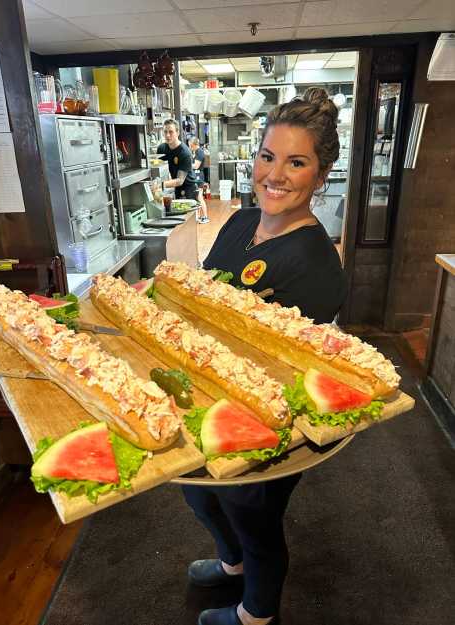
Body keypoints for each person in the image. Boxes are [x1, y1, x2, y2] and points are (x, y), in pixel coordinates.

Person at [183, 87, 348, 625]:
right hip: (209, 392)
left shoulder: (315, 263)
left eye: (296, 162)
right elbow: (204, 294)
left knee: (253, 515)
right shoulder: (236, 222)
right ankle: (231, 567)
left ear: (320, 176)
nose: (274, 174)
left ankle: (256, 614)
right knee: (201, 497)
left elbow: (294, 368)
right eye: (267, 156)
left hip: (265, 413)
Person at [158, 118, 198, 201]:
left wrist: (160, 184)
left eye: (171, 132)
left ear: (177, 133)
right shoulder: (162, 149)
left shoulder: (185, 152)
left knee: (187, 213)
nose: (168, 135)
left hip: (188, 188)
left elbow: (180, 180)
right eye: (165, 132)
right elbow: (158, 168)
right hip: (176, 187)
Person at [189, 136, 210, 224]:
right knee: (197, 197)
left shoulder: (200, 152)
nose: (189, 146)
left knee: (199, 197)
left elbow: (196, 166)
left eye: (190, 145)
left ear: (194, 144)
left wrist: (186, 165)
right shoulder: (196, 152)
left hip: (198, 177)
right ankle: (197, 216)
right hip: (195, 176)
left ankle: (205, 216)